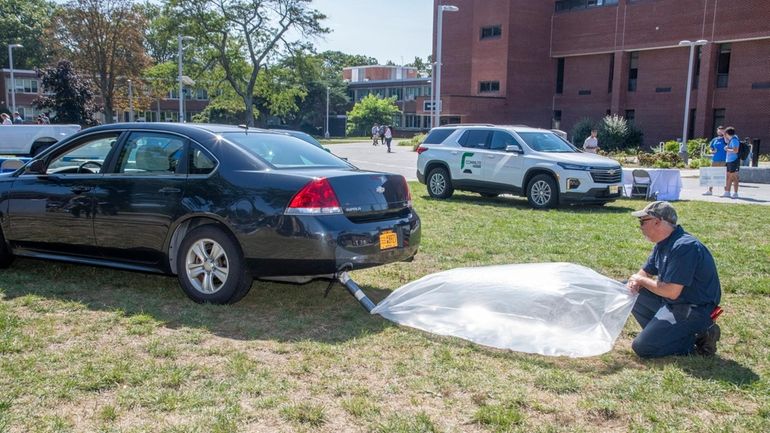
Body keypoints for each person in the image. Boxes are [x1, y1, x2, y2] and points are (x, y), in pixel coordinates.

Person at [626, 201, 722, 358]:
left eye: (643, 221)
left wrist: (640, 280)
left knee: (642, 348)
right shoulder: (663, 243)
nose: (640, 226)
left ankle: (700, 335)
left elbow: (671, 292)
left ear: (658, 221)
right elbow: (645, 271)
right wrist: (636, 281)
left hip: (693, 309)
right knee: (629, 288)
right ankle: (664, 334)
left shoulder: (684, 246)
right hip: (674, 303)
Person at [704, 126, 726, 195]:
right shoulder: (714, 140)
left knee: (723, 175)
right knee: (712, 174)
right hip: (715, 160)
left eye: (721, 130)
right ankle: (710, 190)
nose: (719, 131)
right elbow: (710, 148)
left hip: (724, 160)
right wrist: (712, 151)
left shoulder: (725, 139)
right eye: (718, 130)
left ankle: (726, 191)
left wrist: (724, 134)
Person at [722, 126, 740, 198]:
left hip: (733, 161)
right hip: (729, 161)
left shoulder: (734, 140)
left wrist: (727, 149)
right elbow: (726, 140)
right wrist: (724, 134)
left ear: (727, 133)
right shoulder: (731, 140)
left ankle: (735, 193)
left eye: (725, 133)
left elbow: (736, 150)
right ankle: (727, 192)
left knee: (734, 177)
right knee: (728, 176)